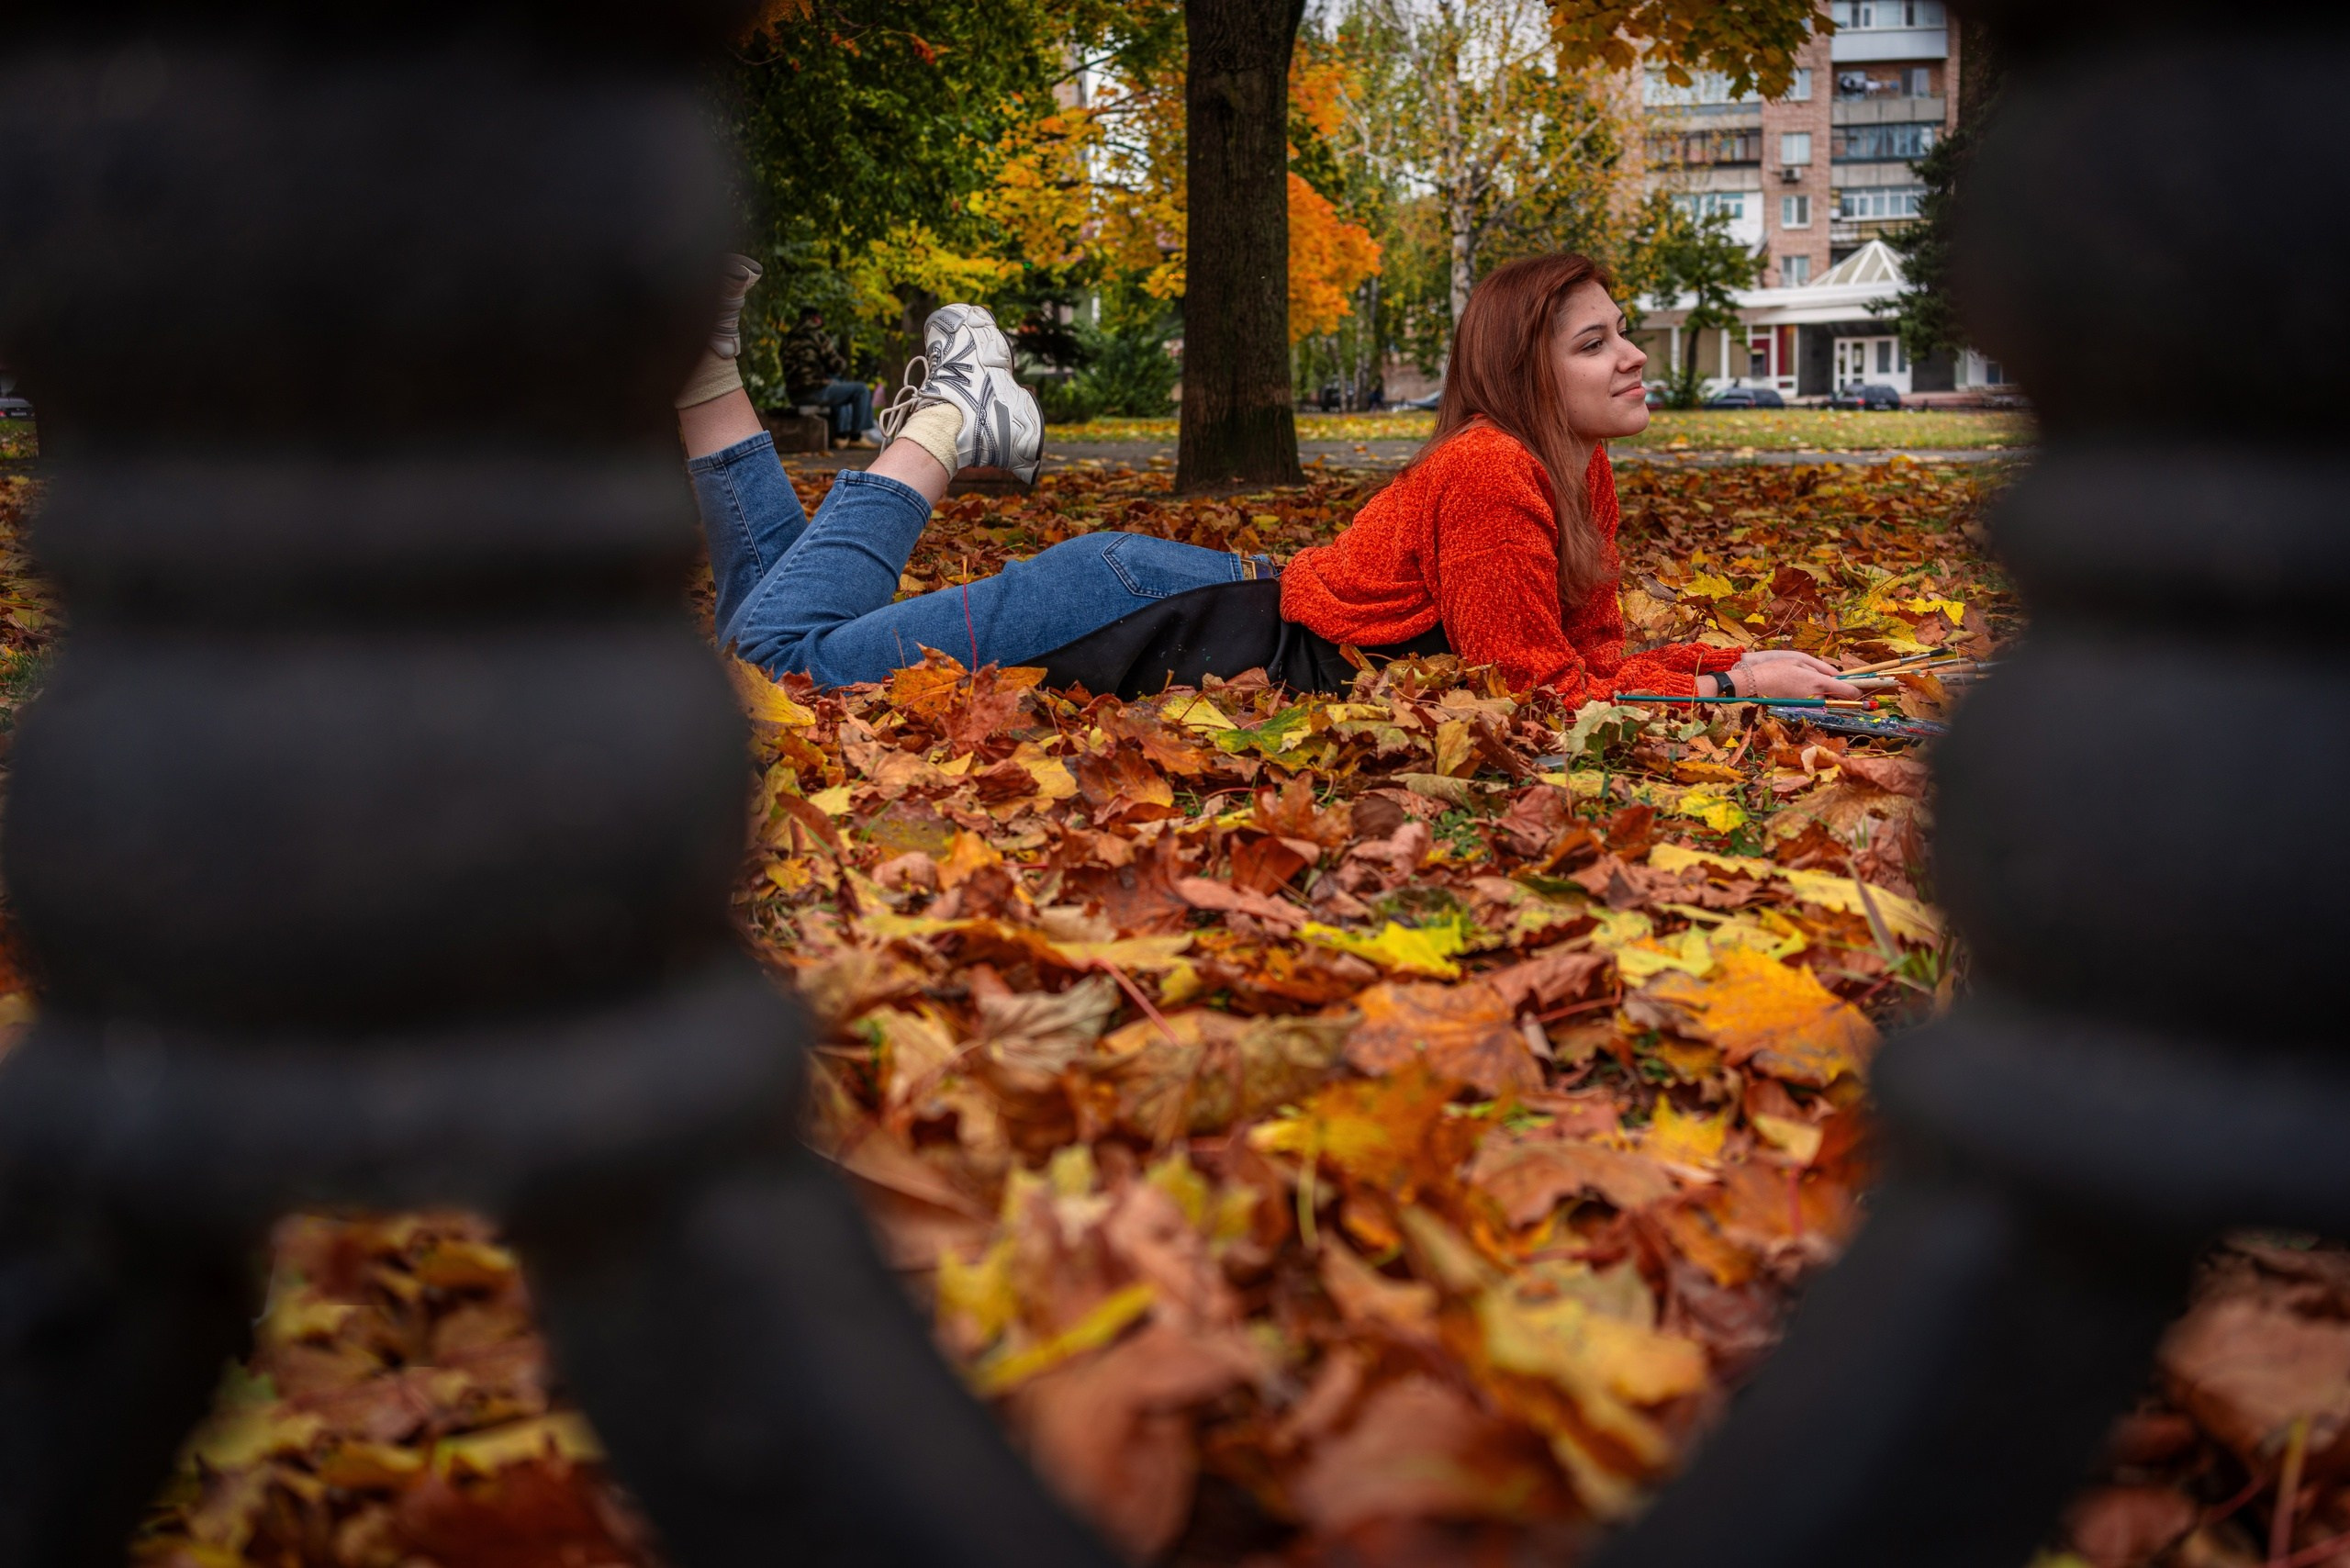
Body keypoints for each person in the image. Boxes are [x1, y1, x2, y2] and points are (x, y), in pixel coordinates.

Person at [675, 252, 1860, 703]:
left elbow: (1584, 654)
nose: (1633, 355)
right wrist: (1727, 690)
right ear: (1525, 371)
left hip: (1177, 594)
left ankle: (699, 373)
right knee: (779, 666)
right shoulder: (1492, 471)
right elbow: (1527, 685)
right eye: (1595, 342)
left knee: (770, 640)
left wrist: (1728, 662)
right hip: (1142, 608)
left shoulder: (1572, 471)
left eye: (1621, 331)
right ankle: (948, 419)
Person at [778, 304, 881, 447]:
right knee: (861, 389)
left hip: (794, 394)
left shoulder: (787, 338)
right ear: (815, 318)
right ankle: (856, 437)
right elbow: (837, 364)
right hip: (814, 391)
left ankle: (841, 436)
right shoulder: (817, 335)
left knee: (836, 383)